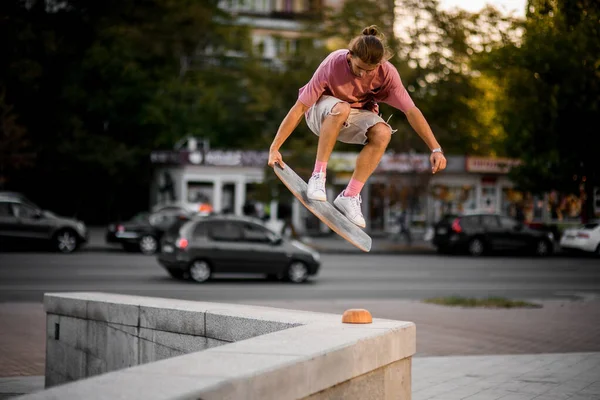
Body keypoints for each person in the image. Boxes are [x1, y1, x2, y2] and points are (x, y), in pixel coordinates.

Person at [267, 25, 447, 228]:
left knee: (383, 132)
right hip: (318, 114)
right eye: (358, 68)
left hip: (349, 118)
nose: (362, 74)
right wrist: (275, 148)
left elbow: (412, 111)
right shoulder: (333, 64)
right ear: (350, 56)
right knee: (341, 108)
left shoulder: (387, 74)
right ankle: (318, 177)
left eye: (369, 70)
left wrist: (436, 148)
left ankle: (350, 195)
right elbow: (299, 109)